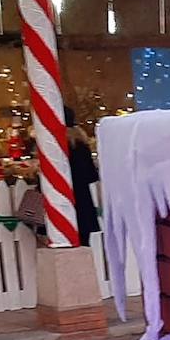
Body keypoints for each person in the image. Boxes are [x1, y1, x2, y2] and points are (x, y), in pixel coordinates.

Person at [65, 105, 100, 246]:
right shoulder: (81, 143)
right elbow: (92, 175)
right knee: (85, 239)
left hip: (67, 197)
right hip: (84, 199)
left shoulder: (58, 146)